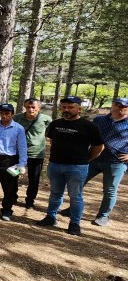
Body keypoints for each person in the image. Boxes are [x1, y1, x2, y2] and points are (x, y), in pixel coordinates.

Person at [36, 96, 104, 235]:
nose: (66, 110)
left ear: (79, 108)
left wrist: (87, 159)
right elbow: (51, 139)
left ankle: (74, 224)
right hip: (55, 165)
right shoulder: (55, 124)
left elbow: (99, 147)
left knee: (75, 196)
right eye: (64, 107)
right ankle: (51, 217)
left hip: (77, 167)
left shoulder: (89, 126)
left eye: (71, 107)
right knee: (55, 193)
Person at [83, 97, 128, 227]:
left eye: (122, 106)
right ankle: (75, 208)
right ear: (112, 105)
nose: (118, 108)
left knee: (109, 190)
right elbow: (89, 136)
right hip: (94, 158)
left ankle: (103, 216)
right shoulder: (99, 119)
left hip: (116, 162)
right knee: (79, 182)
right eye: (117, 104)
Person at [12, 98, 52, 209]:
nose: (30, 109)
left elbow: (49, 134)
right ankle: (12, 196)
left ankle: (30, 200)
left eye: (33, 107)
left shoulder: (46, 119)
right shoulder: (17, 118)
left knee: (33, 179)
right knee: (14, 176)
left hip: (36, 154)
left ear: (39, 108)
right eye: (28, 107)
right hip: (18, 153)